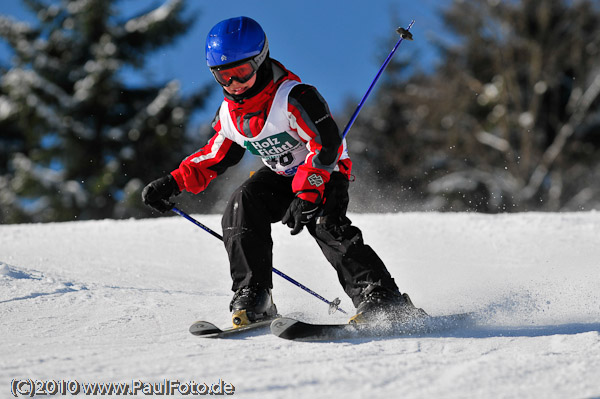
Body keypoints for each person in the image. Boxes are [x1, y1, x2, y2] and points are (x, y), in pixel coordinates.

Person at [142, 16, 425, 326]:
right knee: (242, 204)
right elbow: (216, 155)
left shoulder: (294, 97)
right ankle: (254, 294)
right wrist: (172, 182)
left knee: (325, 223)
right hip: (281, 177)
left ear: (260, 60)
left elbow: (326, 144)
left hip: (324, 170)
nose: (235, 85)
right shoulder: (230, 115)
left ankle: (381, 296)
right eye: (225, 77)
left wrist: (309, 189)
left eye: (241, 73)